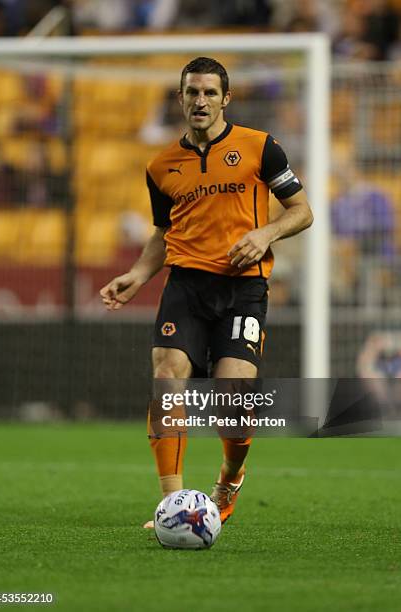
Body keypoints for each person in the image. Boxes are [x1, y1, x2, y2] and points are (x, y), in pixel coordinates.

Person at [100, 57, 313, 528]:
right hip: (187, 285)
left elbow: (302, 211)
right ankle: (172, 506)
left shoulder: (261, 148)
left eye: (210, 93)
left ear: (226, 99)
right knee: (167, 376)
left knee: (232, 402)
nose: (201, 101)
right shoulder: (161, 167)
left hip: (244, 288)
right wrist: (137, 274)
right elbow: (163, 232)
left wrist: (266, 234)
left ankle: (229, 480)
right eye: (192, 92)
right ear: (180, 98)